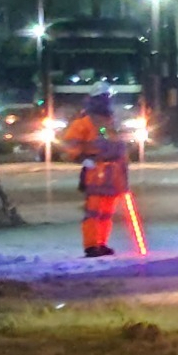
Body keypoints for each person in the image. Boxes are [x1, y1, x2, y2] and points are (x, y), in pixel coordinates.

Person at [60, 91, 131, 257]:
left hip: (113, 174)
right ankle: (91, 245)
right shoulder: (83, 123)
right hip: (96, 172)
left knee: (107, 212)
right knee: (94, 211)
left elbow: (121, 148)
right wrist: (81, 158)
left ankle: (101, 243)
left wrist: (124, 173)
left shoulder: (112, 123)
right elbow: (70, 144)